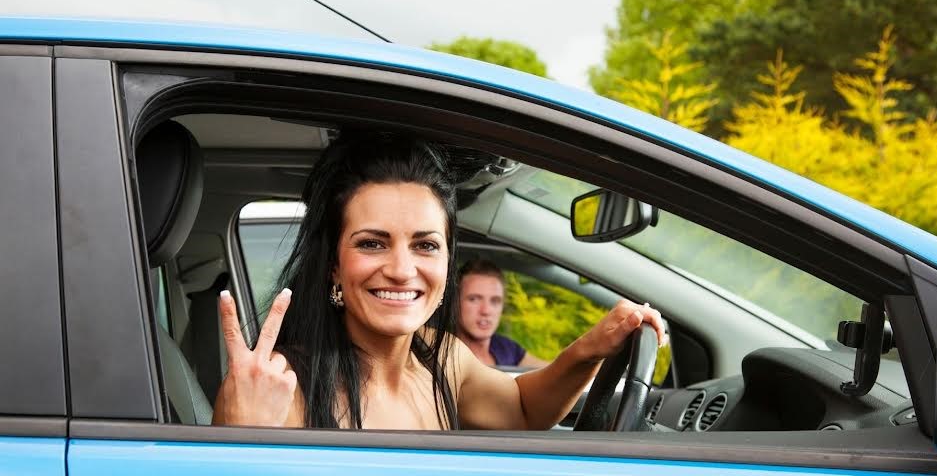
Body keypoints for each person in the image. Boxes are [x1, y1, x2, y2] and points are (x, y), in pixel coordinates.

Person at [212, 131, 666, 430]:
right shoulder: (283, 388)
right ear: (333, 264)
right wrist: (236, 435)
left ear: (448, 262)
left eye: (425, 245)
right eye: (372, 243)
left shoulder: (443, 359)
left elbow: (525, 411)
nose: (402, 269)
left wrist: (591, 348)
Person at [456, 259, 546, 367]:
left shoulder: (505, 348)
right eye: (474, 299)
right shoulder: (442, 352)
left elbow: (553, 372)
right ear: (455, 302)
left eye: (495, 301)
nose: (486, 311)